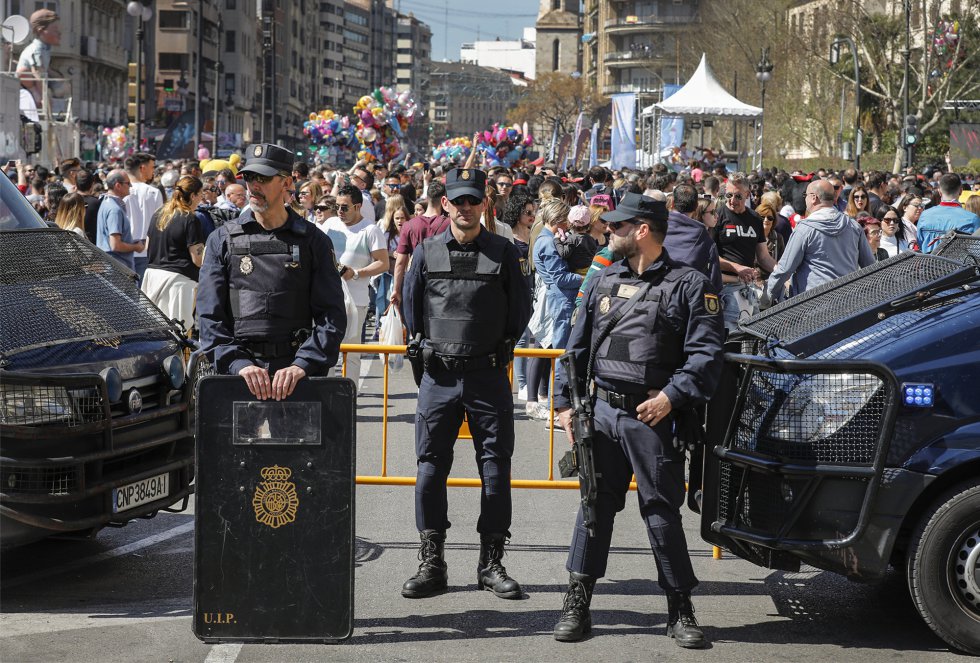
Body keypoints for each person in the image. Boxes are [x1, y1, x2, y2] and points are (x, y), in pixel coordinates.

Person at [552, 193, 723, 648]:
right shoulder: (605, 279)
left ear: (642, 230)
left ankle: (680, 608)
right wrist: (565, 404)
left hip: (652, 419)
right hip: (602, 413)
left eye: (618, 227)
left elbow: (707, 356)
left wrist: (672, 396)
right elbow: (576, 347)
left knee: (660, 512)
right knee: (593, 508)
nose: (610, 232)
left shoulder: (689, 285)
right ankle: (578, 602)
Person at [400, 167, 532, 601]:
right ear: (445, 205)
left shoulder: (503, 251)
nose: (465, 207)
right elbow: (411, 308)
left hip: (487, 375)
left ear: (483, 204)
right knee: (429, 471)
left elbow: (519, 312)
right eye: (458, 201)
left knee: (495, 471)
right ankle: (431, 561)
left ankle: (491, 562)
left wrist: (495, 351)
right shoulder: (426, 251)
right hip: (439, 376)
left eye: (473, 200)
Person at [196, 143, 347, 399]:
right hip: (239, 376)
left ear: (286, 182)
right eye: (250, 177)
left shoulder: (313, 241)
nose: (254, 186)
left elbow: (331, 315)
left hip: (294, 377)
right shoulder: (222, 239)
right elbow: (210, 316)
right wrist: (238, 364)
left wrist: (303, 365)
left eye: (263, 178)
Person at [320, 184, 389, 386]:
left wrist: (356, 273)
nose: (340, 212)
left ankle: (348, 399)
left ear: (357, 206)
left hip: (356, 301)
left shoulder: (370, 229)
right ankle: (325, 395)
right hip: (327, 298)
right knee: (326, 348)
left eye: (345, 207)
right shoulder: (330, 224)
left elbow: (383, 262)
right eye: (337, 206)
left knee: (351, 353)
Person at [765, 179, 875, 303]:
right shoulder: (854, 226)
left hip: (813, 307)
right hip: (848, 303)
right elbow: (870, 266)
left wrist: (769, 294)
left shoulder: (804, 229)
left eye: (805, 195)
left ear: (813, 198)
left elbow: (785, 269)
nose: (804, 199)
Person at [141, 176, 206, 335]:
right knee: (180, 335)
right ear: (192, 196)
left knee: (155, 333)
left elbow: (147, 246)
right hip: (179, 282)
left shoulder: (159, 214)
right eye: (200, 194)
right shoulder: (190, 219)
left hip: (153, 277)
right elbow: (197, 260)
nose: (202, 198)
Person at [714, 173, 776, 333]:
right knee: (732, 338)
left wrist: (782, 272)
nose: (732, 200)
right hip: (725, 286)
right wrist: (737, 268)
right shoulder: (717, 216)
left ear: (747, 195)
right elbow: (708, 256)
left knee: (751, 338)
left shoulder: (755, 218)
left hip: (748, 288)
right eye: (728, 195)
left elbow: (763, 257)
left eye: (738, 196)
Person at [124, 152, 163, 283]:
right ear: (142, 168)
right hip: (146, 251)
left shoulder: (120, 191)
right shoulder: (154, 192)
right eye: (152, 167)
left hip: (124, 249)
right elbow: (159, 224)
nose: (154, 171)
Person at [916, 173, 980, 253]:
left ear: (939, 192)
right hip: (958, 265)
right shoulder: (972, 219)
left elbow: (920, 243)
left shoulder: (925, 215)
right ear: (960, 191)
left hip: (927, 264)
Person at [96, 169, 144, 270]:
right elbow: (115, 245)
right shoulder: (114, 209)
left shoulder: (106, 203)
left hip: (114, 267)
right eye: (128, 183)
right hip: (118, 270)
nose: (130, 186)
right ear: (118, 185)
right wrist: (136, 247)